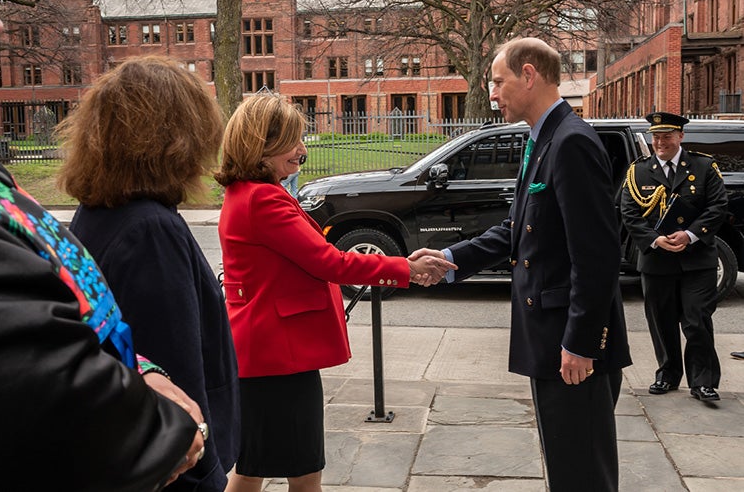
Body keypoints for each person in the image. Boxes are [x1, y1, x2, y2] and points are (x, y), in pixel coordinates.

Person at [410, 38, 632, 491]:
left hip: (570, 347)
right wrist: (450, 259)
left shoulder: (570, 142)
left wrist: (581, 342)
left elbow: (597, 257)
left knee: (583, 474)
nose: (492, 93)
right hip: (550, 340)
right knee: (568, 465)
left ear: (528, 75)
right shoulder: (543, 138)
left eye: (498, 81)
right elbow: (518, 230)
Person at [215, 94, 454, 492]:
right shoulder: (263, 198)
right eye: (293, 141)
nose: (302, 151)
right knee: (304, 474)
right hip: (279, 358)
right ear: (264, 144)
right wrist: (404, 269)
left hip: (263, 353)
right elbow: (331, 263)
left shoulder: (246, 193)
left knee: (252, 467)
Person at [56, 56, 240, 491]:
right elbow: (177, 376)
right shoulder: (150, 230)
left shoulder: (101, 212)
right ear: (177, 137)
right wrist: (206, 476)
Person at [621, 111, 727, 402]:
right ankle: (667, 374)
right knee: (662, 321)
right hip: (657, 260)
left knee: (697, 320)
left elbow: (718, 206)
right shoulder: (638, 171)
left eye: (667, 136)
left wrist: (690, 235)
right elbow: (629, 213)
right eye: (656, 136)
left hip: (697, 259)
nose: (660, 142)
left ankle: (703, 381)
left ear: (681, 136)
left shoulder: (703, 166)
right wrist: (655, 240)